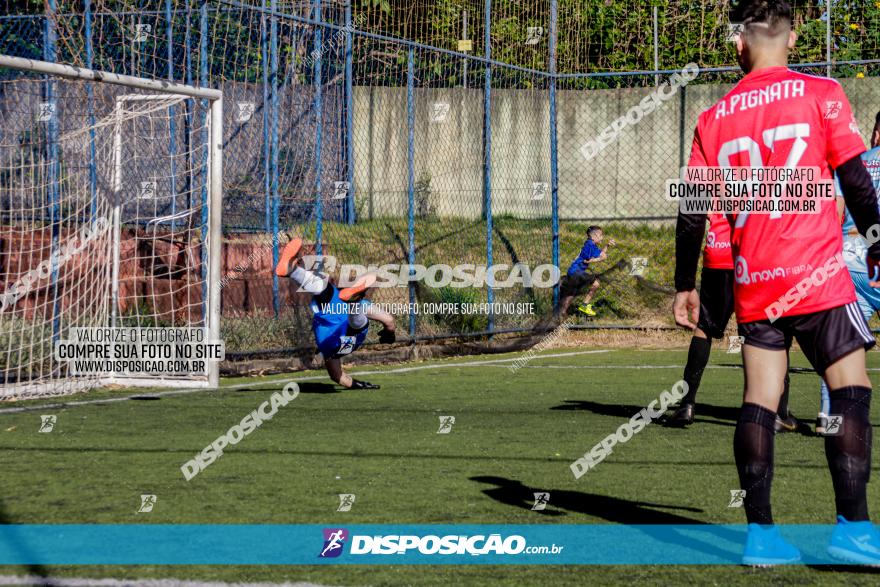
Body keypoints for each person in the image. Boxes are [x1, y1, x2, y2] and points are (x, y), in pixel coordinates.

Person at [674, 1, 880, 565]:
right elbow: (856, 179)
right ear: (791, 41)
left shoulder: (713, 117)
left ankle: (761, 537)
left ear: (738, 45)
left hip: (755, 283)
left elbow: (692, 212)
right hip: (817, 276)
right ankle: (853, 530)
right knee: (850, 391)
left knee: (758, 401)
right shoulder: (822, 92)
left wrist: (683, 284)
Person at [666, 211, 797, 431]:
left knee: (705, 328)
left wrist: (684, 283)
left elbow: (693, 212)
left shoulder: (709, 174)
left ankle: (687, 404)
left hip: (719, 252)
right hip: (758, 253)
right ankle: (778, 412)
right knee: (772, 330)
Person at [817, 113, 880, 434]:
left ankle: (830, 417)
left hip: (852, 255)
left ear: (878, 132)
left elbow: (835, 212)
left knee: (841, 342)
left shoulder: (856, 164)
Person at [274, 237, 396, 390]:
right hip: (335, 341)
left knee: (326, 290)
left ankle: (293, 271)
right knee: (356, 329)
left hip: (331, 320)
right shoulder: (327, 349)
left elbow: (389, 322)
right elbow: (337, 377)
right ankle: (354, 304)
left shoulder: (344, 300)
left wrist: (389, 329)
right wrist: (390, 335)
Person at [557, 226, 615, 317]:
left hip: (573, 272)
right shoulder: (590, 245)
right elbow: (601, 257)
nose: (602, 237)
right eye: (600, 235)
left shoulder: (590, 244)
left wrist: (607, 246)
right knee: (596, 283)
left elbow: (600, 254)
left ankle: (561, 314)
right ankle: (584, 305)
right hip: (577, 272)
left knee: (572, 293)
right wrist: (595, 260)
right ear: (594, 236)